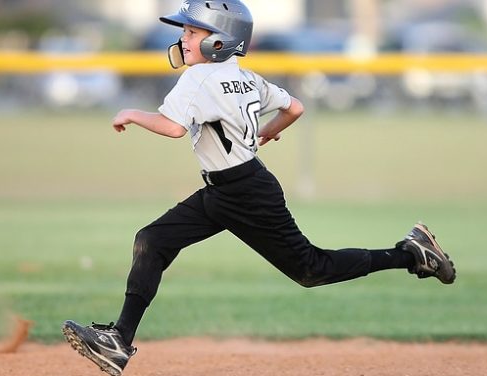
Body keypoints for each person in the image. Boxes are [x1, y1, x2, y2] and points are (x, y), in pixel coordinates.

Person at [62, 1, 456, 375]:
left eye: (193, 29)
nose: (183, 37)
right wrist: (265, 133)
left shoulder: (199, 77)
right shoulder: (245, 76)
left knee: (311, 269)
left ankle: (410, 253)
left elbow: (173, 127)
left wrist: (131, 113)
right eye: (184, 29)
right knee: (152, 240)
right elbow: (295, 107)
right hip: (229, 189)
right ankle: (117, 341)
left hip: (245, 195)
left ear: (221, 39)